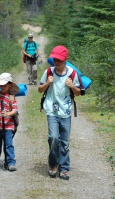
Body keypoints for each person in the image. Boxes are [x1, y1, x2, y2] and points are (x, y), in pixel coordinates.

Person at [38, 46, 82, 180]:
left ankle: (63, 168)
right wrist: (47, 83)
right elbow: (40, 89)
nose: (56, 62)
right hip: (52, 110)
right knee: (53, 138)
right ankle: (52, 165)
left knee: (65, 142)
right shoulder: (48, 72)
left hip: (66, 112)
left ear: (66, 59)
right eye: (55, 59)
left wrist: (72, 86)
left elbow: (79, 93)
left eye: (59, 60)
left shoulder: (72, 74)